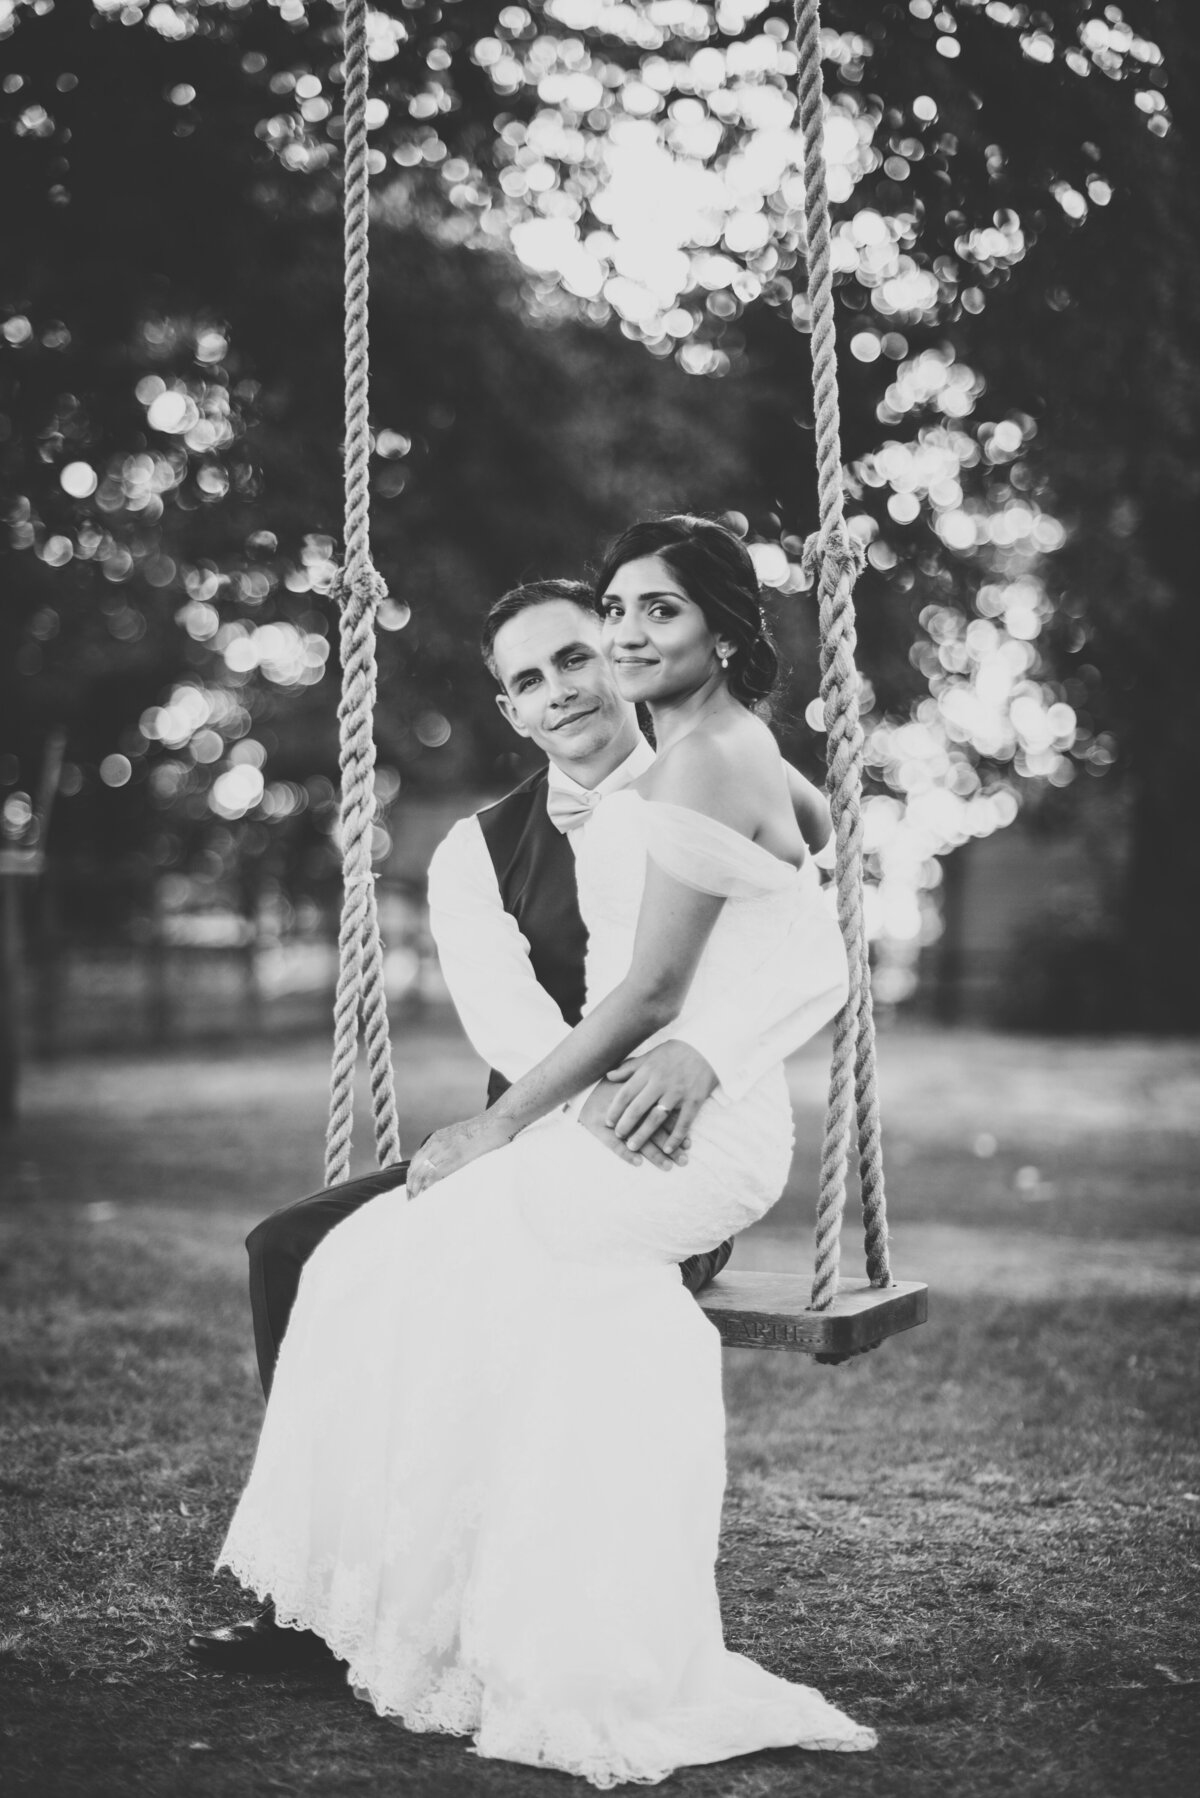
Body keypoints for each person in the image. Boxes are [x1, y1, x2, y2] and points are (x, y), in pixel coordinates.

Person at [213, 515, 876, 1782]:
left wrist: (703, 1056)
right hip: (576, 1125)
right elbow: (516, 1026)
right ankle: (345, 1591)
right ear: (508, 711)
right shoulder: (478, 848)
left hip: (663, 1140)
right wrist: (534, 1121)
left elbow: (802, 934)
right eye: (531, 678)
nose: (574, 680)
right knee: (302, 1252)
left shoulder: (715, 759)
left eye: (589, 647)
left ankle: (472, 1603)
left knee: (411, 1276)